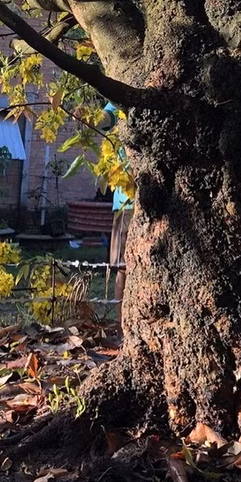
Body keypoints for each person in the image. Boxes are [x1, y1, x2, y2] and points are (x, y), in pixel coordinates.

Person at [101, 102, 132, 325]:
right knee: (123, 266)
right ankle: (122, 324)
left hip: (158, 199)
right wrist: (89, 117)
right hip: (127, 202)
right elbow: (107, 117)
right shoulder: (120, 95)